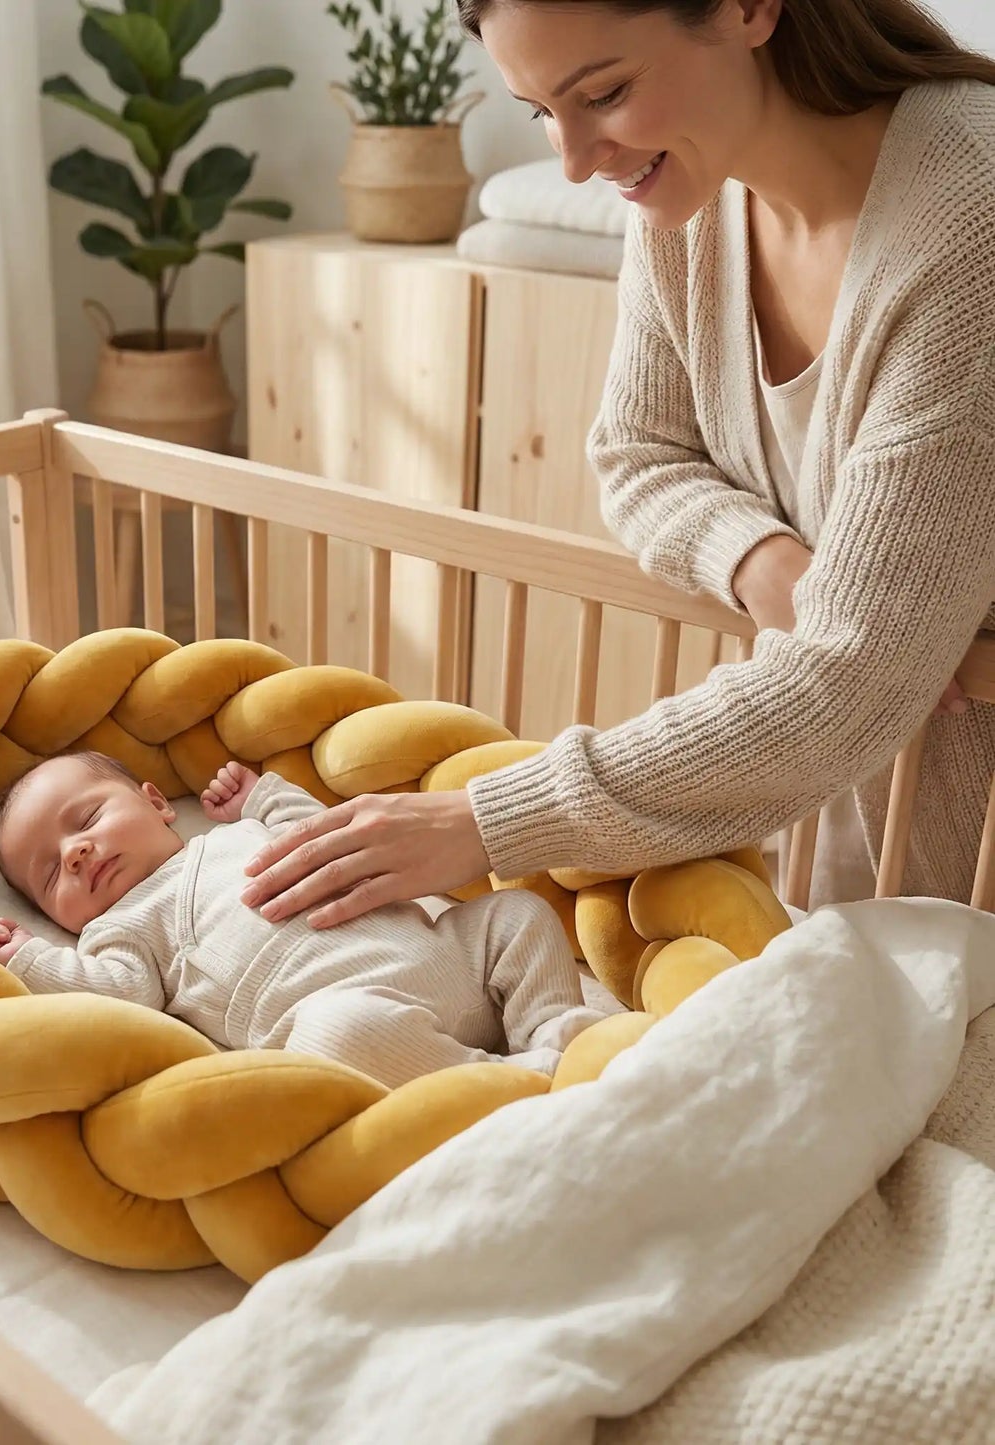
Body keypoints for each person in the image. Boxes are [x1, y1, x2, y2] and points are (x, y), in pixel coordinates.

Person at [239, 0, 995, 928]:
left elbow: (846, 683)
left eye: (603, 92)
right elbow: (637, 453)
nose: (573, 158)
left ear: (749, 9)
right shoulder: (690, 189)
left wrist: (486, 820)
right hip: (858, 813)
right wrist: (765, 562)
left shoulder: (970, 219)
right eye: (539, 111)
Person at [0, 751, 602, 1089]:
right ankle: (512, 1086)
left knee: (516, 913)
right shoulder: (121, 931)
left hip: (452, 952)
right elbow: (119, 995)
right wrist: (34, 960)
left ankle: (554, 1031)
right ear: (58, 917)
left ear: (156, 802)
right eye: (51, 875)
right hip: (359, 1013)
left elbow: (322, 834)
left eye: (85, 821)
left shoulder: (241, 834)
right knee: (334, 1036)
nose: (75, 853)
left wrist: (264, 798)